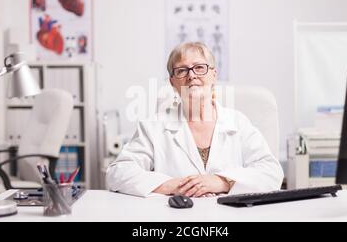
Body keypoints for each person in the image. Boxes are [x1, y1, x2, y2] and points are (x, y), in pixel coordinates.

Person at [106, 42, 284, 198]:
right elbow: (117, 173)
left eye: (199, 67)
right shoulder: (153, 127)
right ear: (172, 82)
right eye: (182, 70)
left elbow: (272, 173)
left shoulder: (238, 123)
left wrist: (222, 182)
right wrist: (174, 186)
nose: (191, 75)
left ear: (213, 74)